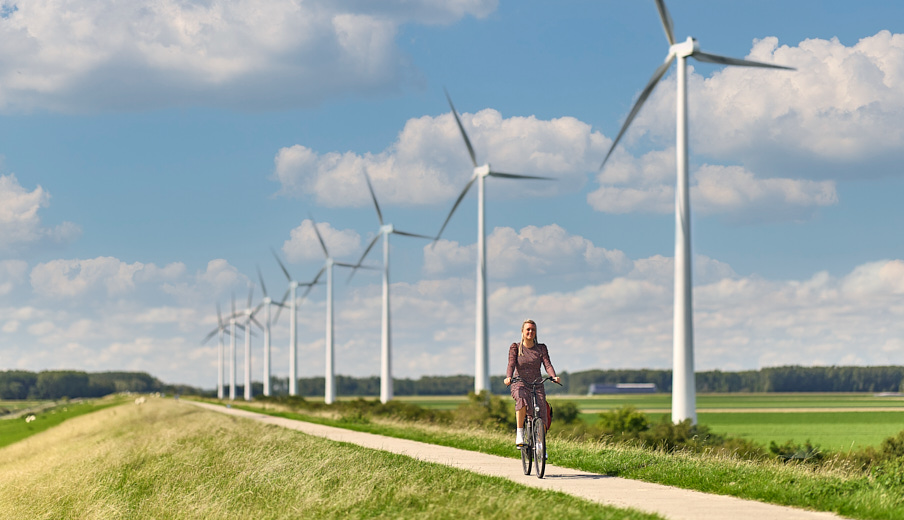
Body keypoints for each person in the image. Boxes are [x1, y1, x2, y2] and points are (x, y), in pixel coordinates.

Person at [503, 319, 560, 446]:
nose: (530, 332)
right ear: (522, 332)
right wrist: (508, 377)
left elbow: (547, 364)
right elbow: (511, 365)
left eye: (533, 330)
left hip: (537, 384)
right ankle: (519, 433)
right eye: (528, 329)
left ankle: (540, 446)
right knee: (521, 399)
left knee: (542, 413)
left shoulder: (541, 348)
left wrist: (553, 376)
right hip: (520, 382)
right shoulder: (515, 348)